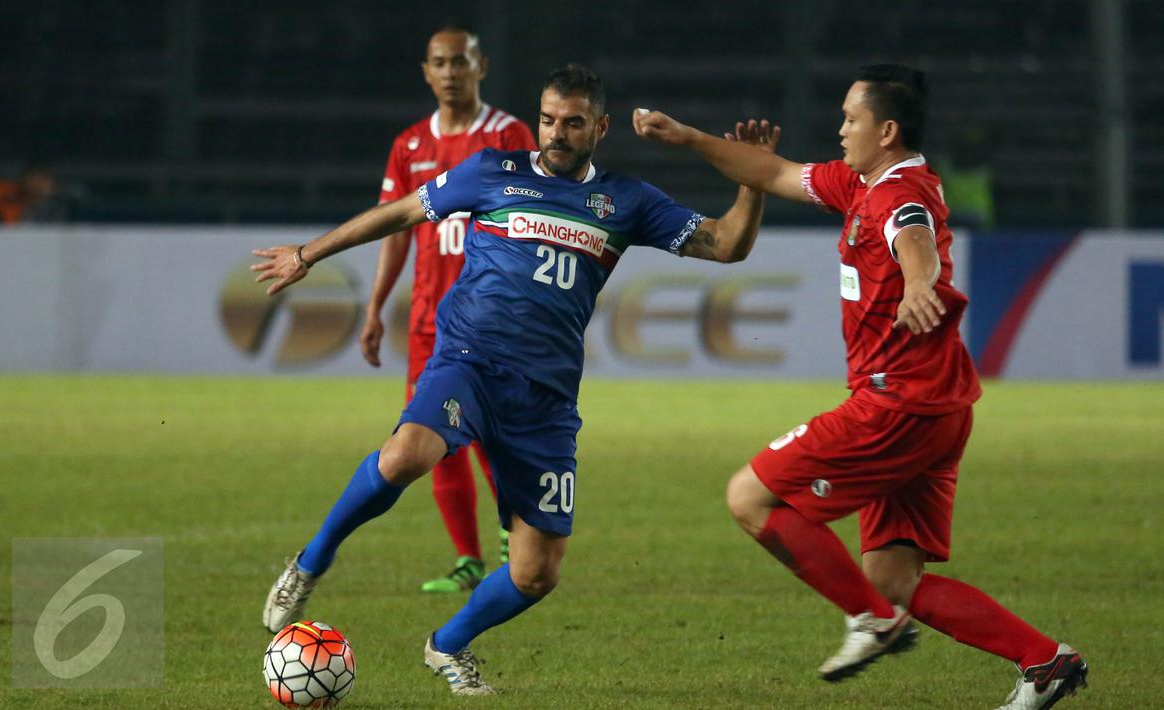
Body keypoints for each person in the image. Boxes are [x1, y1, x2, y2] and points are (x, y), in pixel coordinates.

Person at [255, 63, 776, 695]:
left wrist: (752, 179)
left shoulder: (627, 201)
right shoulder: (490, 172)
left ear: (601, 127)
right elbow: (398, 213)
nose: (556, 133)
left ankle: (446, 646)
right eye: (548, 119)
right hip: (470, 361)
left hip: (546, 401)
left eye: (573, 123)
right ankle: (309, 565)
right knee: (407, 454)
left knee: (536, 573)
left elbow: (726, 246)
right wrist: (307, 254)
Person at [634, 64, 1088, 710]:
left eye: (851, 118)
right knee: (892, 579)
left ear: (887, 130)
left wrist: (918, 283)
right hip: (935, 408)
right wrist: (687, 137)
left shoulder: (902, 193)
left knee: (750, 497)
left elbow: (914, 239)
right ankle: (1044, 662)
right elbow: (771, 172)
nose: (840, 128)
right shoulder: (860, 184)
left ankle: (869, 622)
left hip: (896, 405)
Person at [361, 26, 537, 593]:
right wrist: (375, 307)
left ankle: (513, 531)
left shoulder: (508, 134)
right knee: (431, 435)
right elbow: (395, 231)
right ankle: (467, 559)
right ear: (426, 70)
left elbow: (537, 218)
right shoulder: (409, 145)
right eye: (440, 62)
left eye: (460, 61)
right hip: (427, 321)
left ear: (480, 67)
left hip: (489, 319)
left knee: (490, 430)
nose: (450, 72)